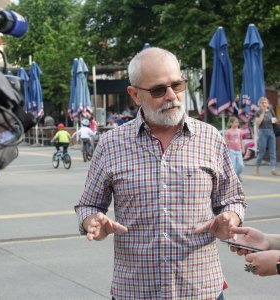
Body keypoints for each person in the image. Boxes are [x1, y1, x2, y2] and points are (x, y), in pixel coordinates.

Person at [74, 47, 246, 300]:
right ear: (134, 94)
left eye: (177, 85)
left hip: (200, 289)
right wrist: (91, 222)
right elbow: (88, 204)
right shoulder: (111, 143)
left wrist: (230, 218)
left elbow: (233, 199)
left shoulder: (210, 138)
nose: (171, 96)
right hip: (135, 290)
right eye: (157, 90)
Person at [254, 97, 278, 176]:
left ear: (268, 103)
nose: (264, 104)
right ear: (260, 104)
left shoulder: (271, 110)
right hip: (262, 132)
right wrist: (263, 112)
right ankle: (257, 167)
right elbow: (258, 123)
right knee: (262, 151)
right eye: (262, 103)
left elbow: (274, 121)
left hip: (271, 132)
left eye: (265, 102)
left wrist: (276, 121)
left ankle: (273, 169)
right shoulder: (258, 112)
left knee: (273, 151)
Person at [225, 116, 244, 181]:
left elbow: (241, 140)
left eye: (237, 122)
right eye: (235, 122)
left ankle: (237, 174)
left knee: (240, 164)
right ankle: (234, 177)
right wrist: (226, 149)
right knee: (233, 164)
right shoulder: (228, 131)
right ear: (231, 123)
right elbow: (226, 140)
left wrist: (243, 148)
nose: (237, 124)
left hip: (238, 149)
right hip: (231, 149)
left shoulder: (239, 131)